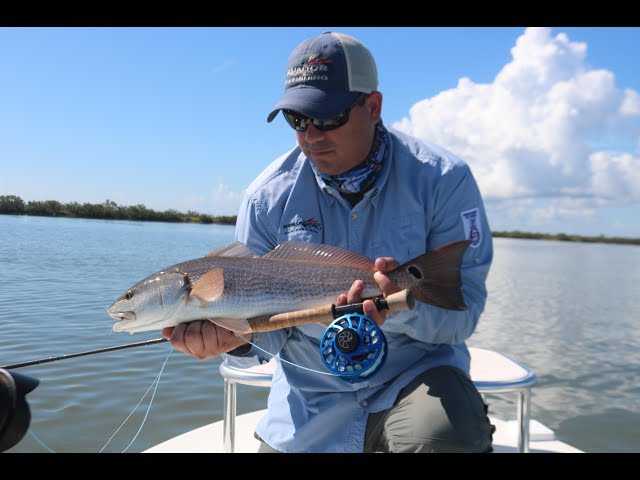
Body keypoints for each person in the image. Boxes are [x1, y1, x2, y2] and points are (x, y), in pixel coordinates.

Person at [162, 31, 495, 453]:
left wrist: (400, 307)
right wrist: (235, 340)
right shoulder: (265, 199)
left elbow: (462, 318)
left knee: (442, 439)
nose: (311, 135)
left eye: (329, 117)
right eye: (297, 119)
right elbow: (267, 333)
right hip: (310, 401)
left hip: (416, 377)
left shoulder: (443, 180)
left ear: (373, 107)